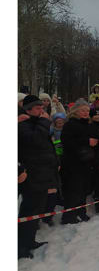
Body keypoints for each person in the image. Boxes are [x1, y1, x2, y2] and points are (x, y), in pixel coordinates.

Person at [18, 95, 59, 258]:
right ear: (28, 110)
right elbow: (35, 140)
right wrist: (44, 122)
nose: (42, 110)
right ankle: (20, 246)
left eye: (42, 107)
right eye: (37, 108)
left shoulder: (36, 123)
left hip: (44, 173)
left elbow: (46, 146)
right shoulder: (23, 125)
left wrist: (55, 161)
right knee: (28, 210)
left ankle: (30, 240)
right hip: (32, 175)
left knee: (37, 210)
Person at [61, 98, 96, 224]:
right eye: (83, 111)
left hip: (85, 162)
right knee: (73, 190)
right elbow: (67, 142)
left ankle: (81, 212)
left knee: (83, 190)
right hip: (73, 163)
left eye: (87, 110)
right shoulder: (69, 125)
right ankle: (69, 216)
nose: (86, 113)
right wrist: (87, 142)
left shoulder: (88, 124)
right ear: (75, 111)